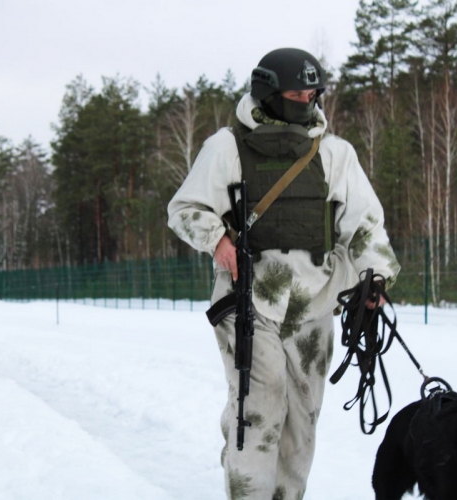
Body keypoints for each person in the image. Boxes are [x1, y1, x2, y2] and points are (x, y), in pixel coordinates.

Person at [167, 48, 401, 499]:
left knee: (302, 420)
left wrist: (374, 276)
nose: (306, 100)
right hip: (248, 298)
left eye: (313, 93)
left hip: (315, 303)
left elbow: (364, 222)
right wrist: (217, 238)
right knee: (259, 408)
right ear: (269, 93)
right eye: (296, 93)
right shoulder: (227, 147)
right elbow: (184, 209)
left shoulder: (335, 154)